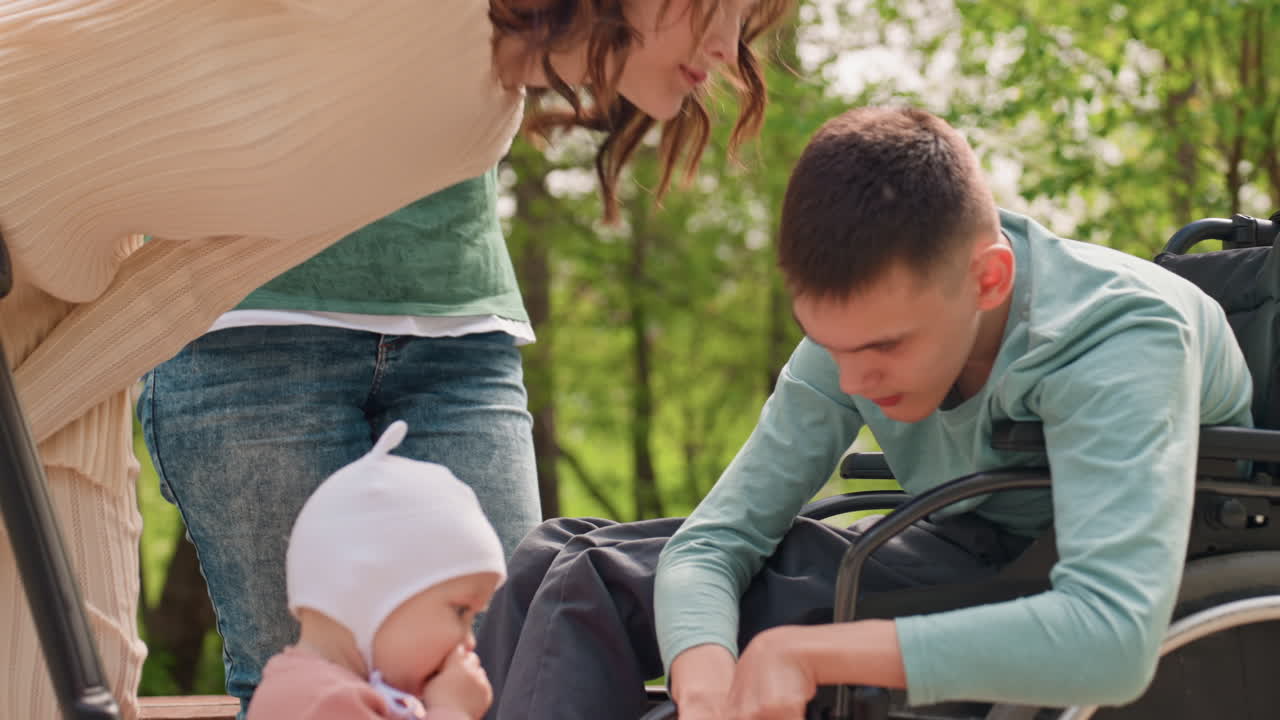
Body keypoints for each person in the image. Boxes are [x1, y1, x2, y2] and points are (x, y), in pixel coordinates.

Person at [0, 1, 792, 716]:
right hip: (47, 183)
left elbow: (188, 281)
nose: (729, 50)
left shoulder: (480, 121)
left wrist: (32, 402)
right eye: (720, 5)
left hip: (65, 298)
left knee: (77, 688)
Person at [474, 106, 1255, 720]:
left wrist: (809, 658)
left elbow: (1112, 639)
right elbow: (715, 543)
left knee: (587, 585)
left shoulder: (1115, 334)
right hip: (961, 534)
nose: (853, 378)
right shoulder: (865, 327)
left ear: (989, 281)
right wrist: (703, 675)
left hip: (1082, 565)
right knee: (554, 558)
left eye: (882, 346)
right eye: (828, 342)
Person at [139, 168, 539, 717]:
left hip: (463, 317)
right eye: (460, 613)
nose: (468, 641)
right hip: (243, 313)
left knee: (511, 685)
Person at [245, 420, 506, 720]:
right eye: (461, 611)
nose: (469, 641)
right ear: (370, 592)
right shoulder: (320, 702)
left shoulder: (345, 692)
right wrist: (452, 711)